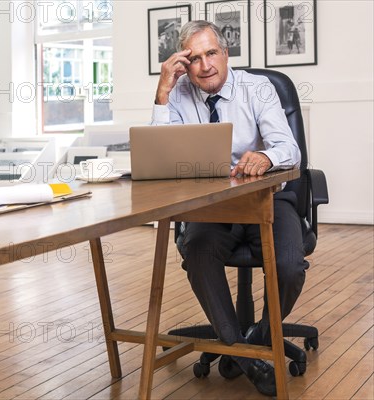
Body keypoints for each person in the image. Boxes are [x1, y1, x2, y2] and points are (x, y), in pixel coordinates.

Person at [151, 20, 307, 397]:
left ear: (226, 53)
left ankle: (245, 343)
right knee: (199, 253)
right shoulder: (178, 93)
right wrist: (160, 96)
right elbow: (159, 157)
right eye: (195, 58)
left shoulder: (258, 88)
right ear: (183, 64)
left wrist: (267, 158)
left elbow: (290, 149)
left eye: (212, 54)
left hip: (264, 198)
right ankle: (246, 354)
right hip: (210, 206)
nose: (205, 66)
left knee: (288, 266)